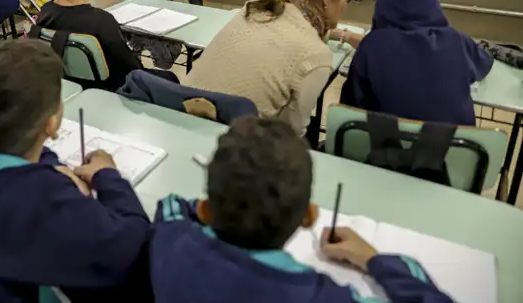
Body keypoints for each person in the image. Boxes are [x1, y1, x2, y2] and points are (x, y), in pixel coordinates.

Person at [0, 40, 152, 302]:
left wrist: (53, 169)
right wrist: (109, 176)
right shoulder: (37, 198)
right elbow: (133, 249)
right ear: (52, 123)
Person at [150, 116, 454, 303]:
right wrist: (373, 260)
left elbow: (171, 205)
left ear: (206, 212)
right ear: (309, 216)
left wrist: (227, 202)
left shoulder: (172, 245)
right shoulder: (321, 296)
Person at [185, 0, 355, 135]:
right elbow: (290, 134)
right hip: (232, 146)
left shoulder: (255, 7)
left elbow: (289, 28)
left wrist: (342, 34)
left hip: (181, 117)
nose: (345, 2)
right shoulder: (316, 55)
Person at [341, 0, 493, 125]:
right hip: (455, 146)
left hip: (386, 145)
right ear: (432, 4)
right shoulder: (457, 41)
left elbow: (350, 106)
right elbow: (485, 64)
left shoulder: (371, 45)